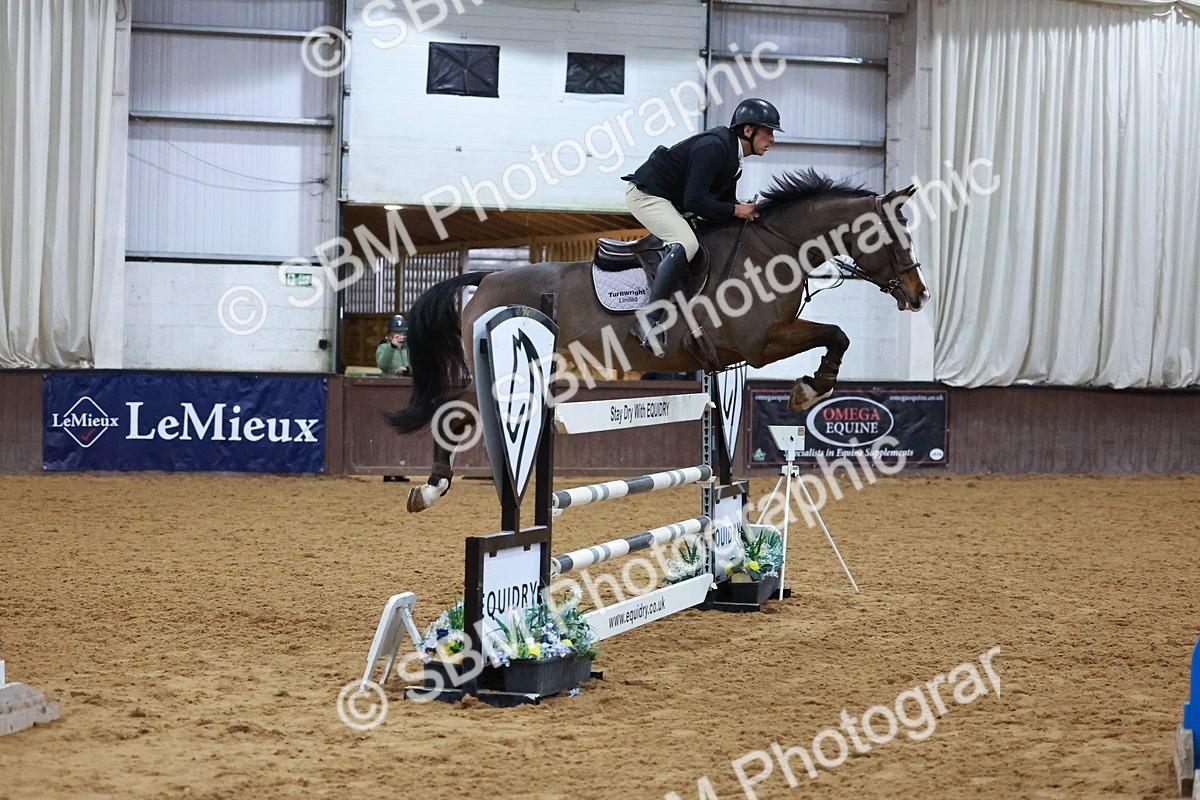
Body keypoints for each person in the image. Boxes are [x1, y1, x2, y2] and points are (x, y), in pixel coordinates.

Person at [621, 97, 783, 354]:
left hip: (671, 200)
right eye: (768, 131)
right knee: (686, 242)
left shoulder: (733, 160)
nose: (772, 139)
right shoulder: (714, 147)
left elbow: (723, 205)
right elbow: (695, 200)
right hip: (647, 195)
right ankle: (648, 321)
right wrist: (735, 210)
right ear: (748, 130)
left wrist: (741, 211)